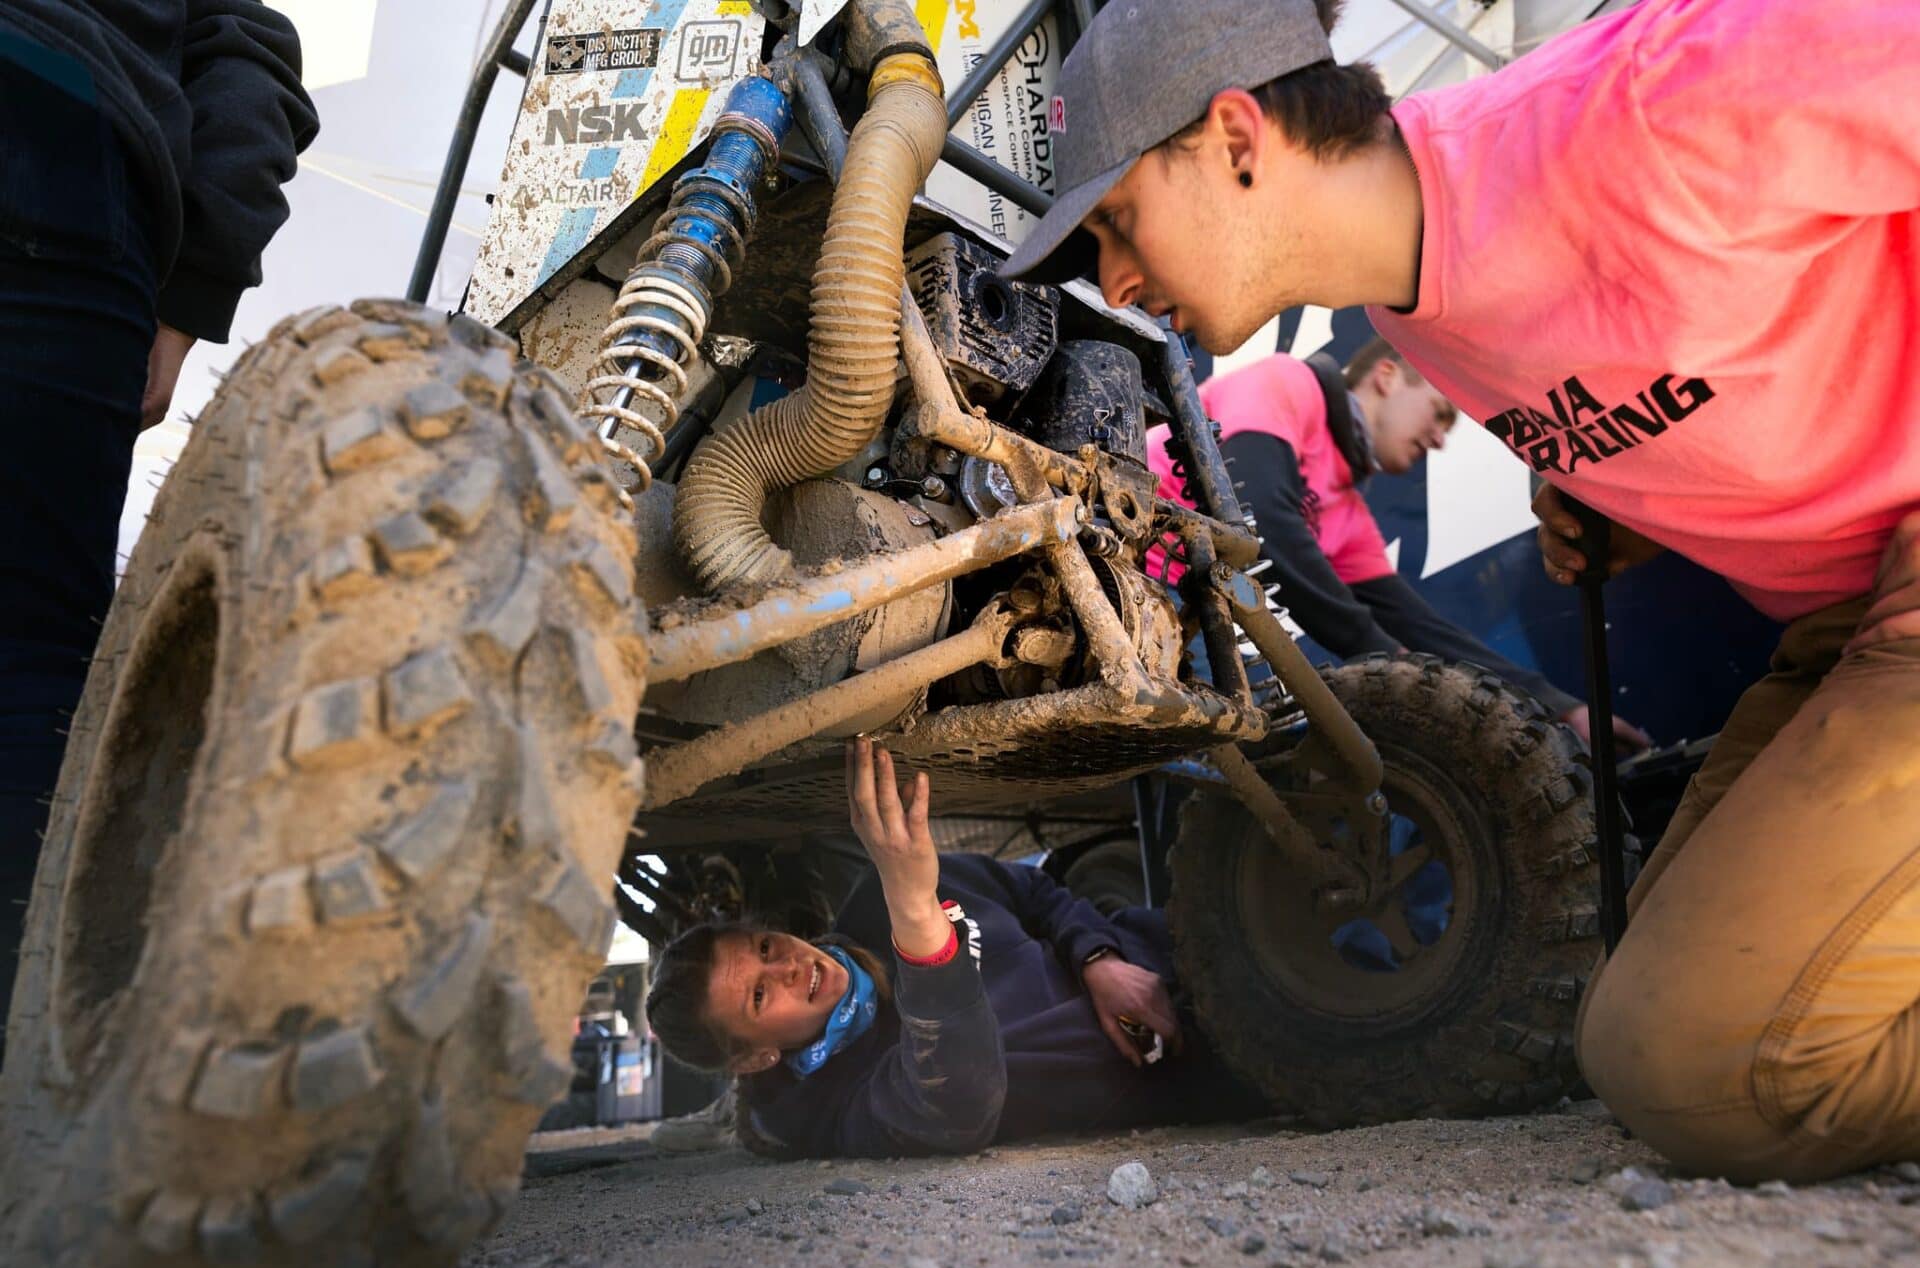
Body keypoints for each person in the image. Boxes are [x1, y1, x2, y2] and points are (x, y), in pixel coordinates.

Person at [1002, 0, 1920, 1182]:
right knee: (1631, 1005)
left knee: (1711, 1065)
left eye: (1120, 221)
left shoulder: (1645, 97)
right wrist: (1631, 504)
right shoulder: (1411, 317)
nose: (1117, 283)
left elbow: (1325, 582)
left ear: (1236, 140)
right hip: (1840, 632)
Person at [0, 2, 317, 1050]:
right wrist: (188, 293)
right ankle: (42, 1110)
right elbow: (249, 51)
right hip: (61, 138)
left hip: (58, 122)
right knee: (29, 666)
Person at [644, 739, 1267, 1158]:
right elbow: (957, 1107)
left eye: (764, 945)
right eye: (759, 995)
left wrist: (1097, 960)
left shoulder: (870, 900)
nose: (789, 965)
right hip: (1217, 1055)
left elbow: (1035, 892)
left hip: (1184, 943)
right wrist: (919, 923)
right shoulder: (829, 1109)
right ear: (754, 1060)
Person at [1148, 336, 1646, 749]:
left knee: (1274, 741)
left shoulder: (1346, 514)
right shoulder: (1286, 382)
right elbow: (1259, 519)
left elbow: (1421, 627)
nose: (1439, 438)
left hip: (1191, 612)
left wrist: (1561, 708)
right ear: (1386, 376)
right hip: (1128, 568)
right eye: (1439, 412)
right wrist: (1386, 655)